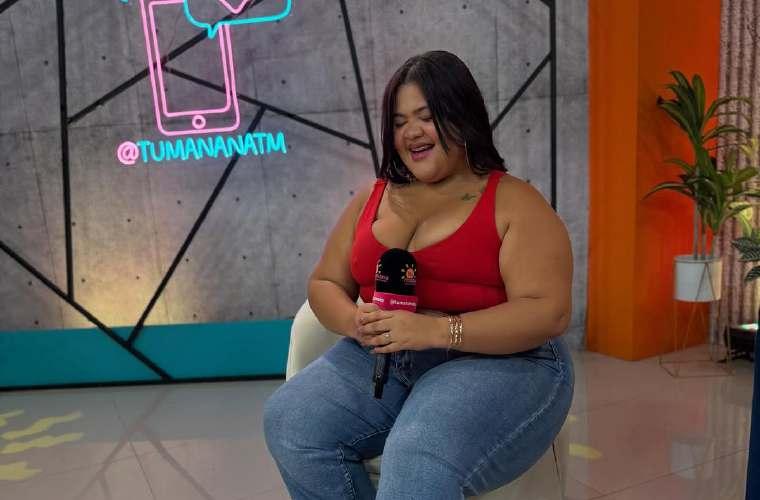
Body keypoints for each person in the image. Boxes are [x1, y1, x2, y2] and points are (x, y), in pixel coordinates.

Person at [263, 50, 574, 500]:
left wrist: (434, 331)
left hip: (502, 361)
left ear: (462, 117)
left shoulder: (514, 201)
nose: (411, 132)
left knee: (416, 454)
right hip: (387, 356)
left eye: (427, 117)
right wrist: (355, 322)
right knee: (291, 421)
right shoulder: (373, 197)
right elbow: (325, 282)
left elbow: (548, 313)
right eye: (399, 121)